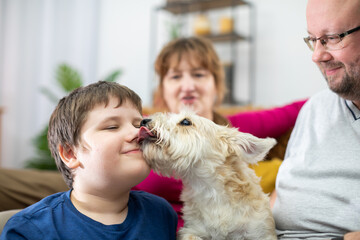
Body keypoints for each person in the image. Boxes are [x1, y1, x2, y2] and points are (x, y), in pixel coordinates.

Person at [133, 36, 306, 229]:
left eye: (199, 74)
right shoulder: (139, 127)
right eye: (175, 76)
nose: (188, 86)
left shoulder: (231, 129)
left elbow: (304, 107)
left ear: (216, 83)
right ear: (162, 88)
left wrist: (276, 204)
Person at [0, 81, 177, 239]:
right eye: (112, 126)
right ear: (71, 154)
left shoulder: (160, 213)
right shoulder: (30, 230)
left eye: (139, 125)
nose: (137, 133)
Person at [271, 0, 360, 239]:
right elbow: (282, 193)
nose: (317, 55)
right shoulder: (315, 108)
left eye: (332, 37)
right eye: (313, 39)